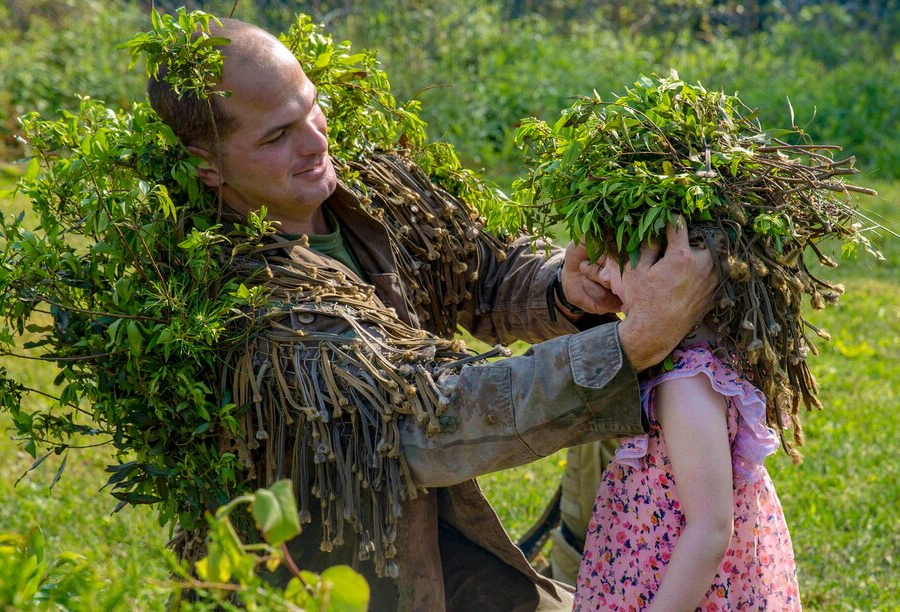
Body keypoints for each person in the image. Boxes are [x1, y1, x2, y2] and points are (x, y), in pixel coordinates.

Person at [147, 17, 716, 611]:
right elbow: (427, 415)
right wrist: (633, 344)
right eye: (276, 136)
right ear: (208, 165)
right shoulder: (237, 296)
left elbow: (483, 267)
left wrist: (565, 289)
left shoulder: (372, 188)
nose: (316, 142)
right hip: (334, 584)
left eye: (311, 108)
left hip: (450, 550)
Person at [573, 255, 802, 610]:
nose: (601, 274)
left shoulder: (685, 383)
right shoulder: (694, 361)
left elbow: (710, 531)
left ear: (672, 269)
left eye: (616, 260)